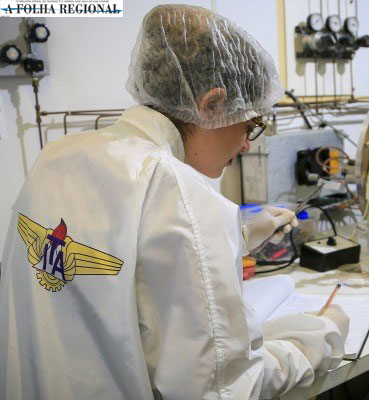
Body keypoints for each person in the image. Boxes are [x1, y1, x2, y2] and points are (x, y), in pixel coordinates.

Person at [0, 5, 349, 399]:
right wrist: (320, 339)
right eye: (251, 124)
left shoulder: (58, 155)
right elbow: (225, 390)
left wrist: (237, 234)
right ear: (213, 104)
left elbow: (120, 265)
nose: (247, 144)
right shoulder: (178, 192)